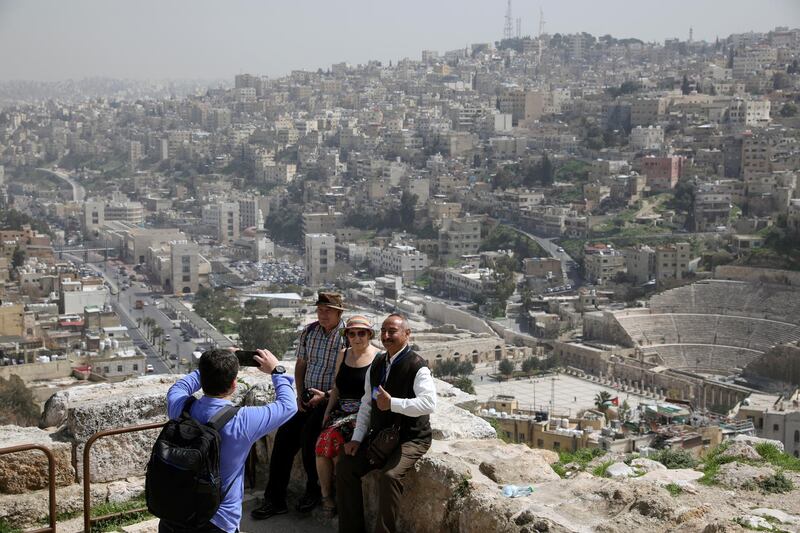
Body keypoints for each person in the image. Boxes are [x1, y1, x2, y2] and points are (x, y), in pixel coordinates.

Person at [162, 348, 295, 533]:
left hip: (175, 512)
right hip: (218, 520)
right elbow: (288, 406)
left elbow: (181, 386)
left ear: (202, 380)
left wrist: (212, 366)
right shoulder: (243, 421)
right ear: (234, 384)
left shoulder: (180, 406)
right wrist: (277, 370)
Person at [337, 313, 437, 533]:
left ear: (407, 334)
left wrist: (393, 404)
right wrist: (356, 438)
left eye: (392, 331)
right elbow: (367, 403)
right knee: (346, 465)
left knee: (390, 477)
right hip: (380, 435)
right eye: (383, 330)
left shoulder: (417, 366)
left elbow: (429, 403)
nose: (386, 335)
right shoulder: (378, 363)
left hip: (411, 438)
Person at [252, 291, 347, 519]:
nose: (323, 315)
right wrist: (299, 393)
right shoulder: (310, 332)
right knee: (284, 438)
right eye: (320, 310)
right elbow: (301, 363)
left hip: (331, 401)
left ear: (338, 313)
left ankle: (313, 492)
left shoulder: (347, 336)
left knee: (309, 437)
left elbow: (350, 377)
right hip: (307, 398)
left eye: (328, 311)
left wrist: (324, 395)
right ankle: (274, 500)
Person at [315, 315, 379, 517]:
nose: (357, 337)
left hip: (363, 413)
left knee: (333, 440)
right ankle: (327, 495)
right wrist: (327, 411)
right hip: (340, 411)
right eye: (352, 333)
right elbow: (336, 387)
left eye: (362, 333)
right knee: (321, 445)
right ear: (347, 336)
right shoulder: (343, 354)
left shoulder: (379, 358)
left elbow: (378, 394)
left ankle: (339, 496)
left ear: (369, 335)